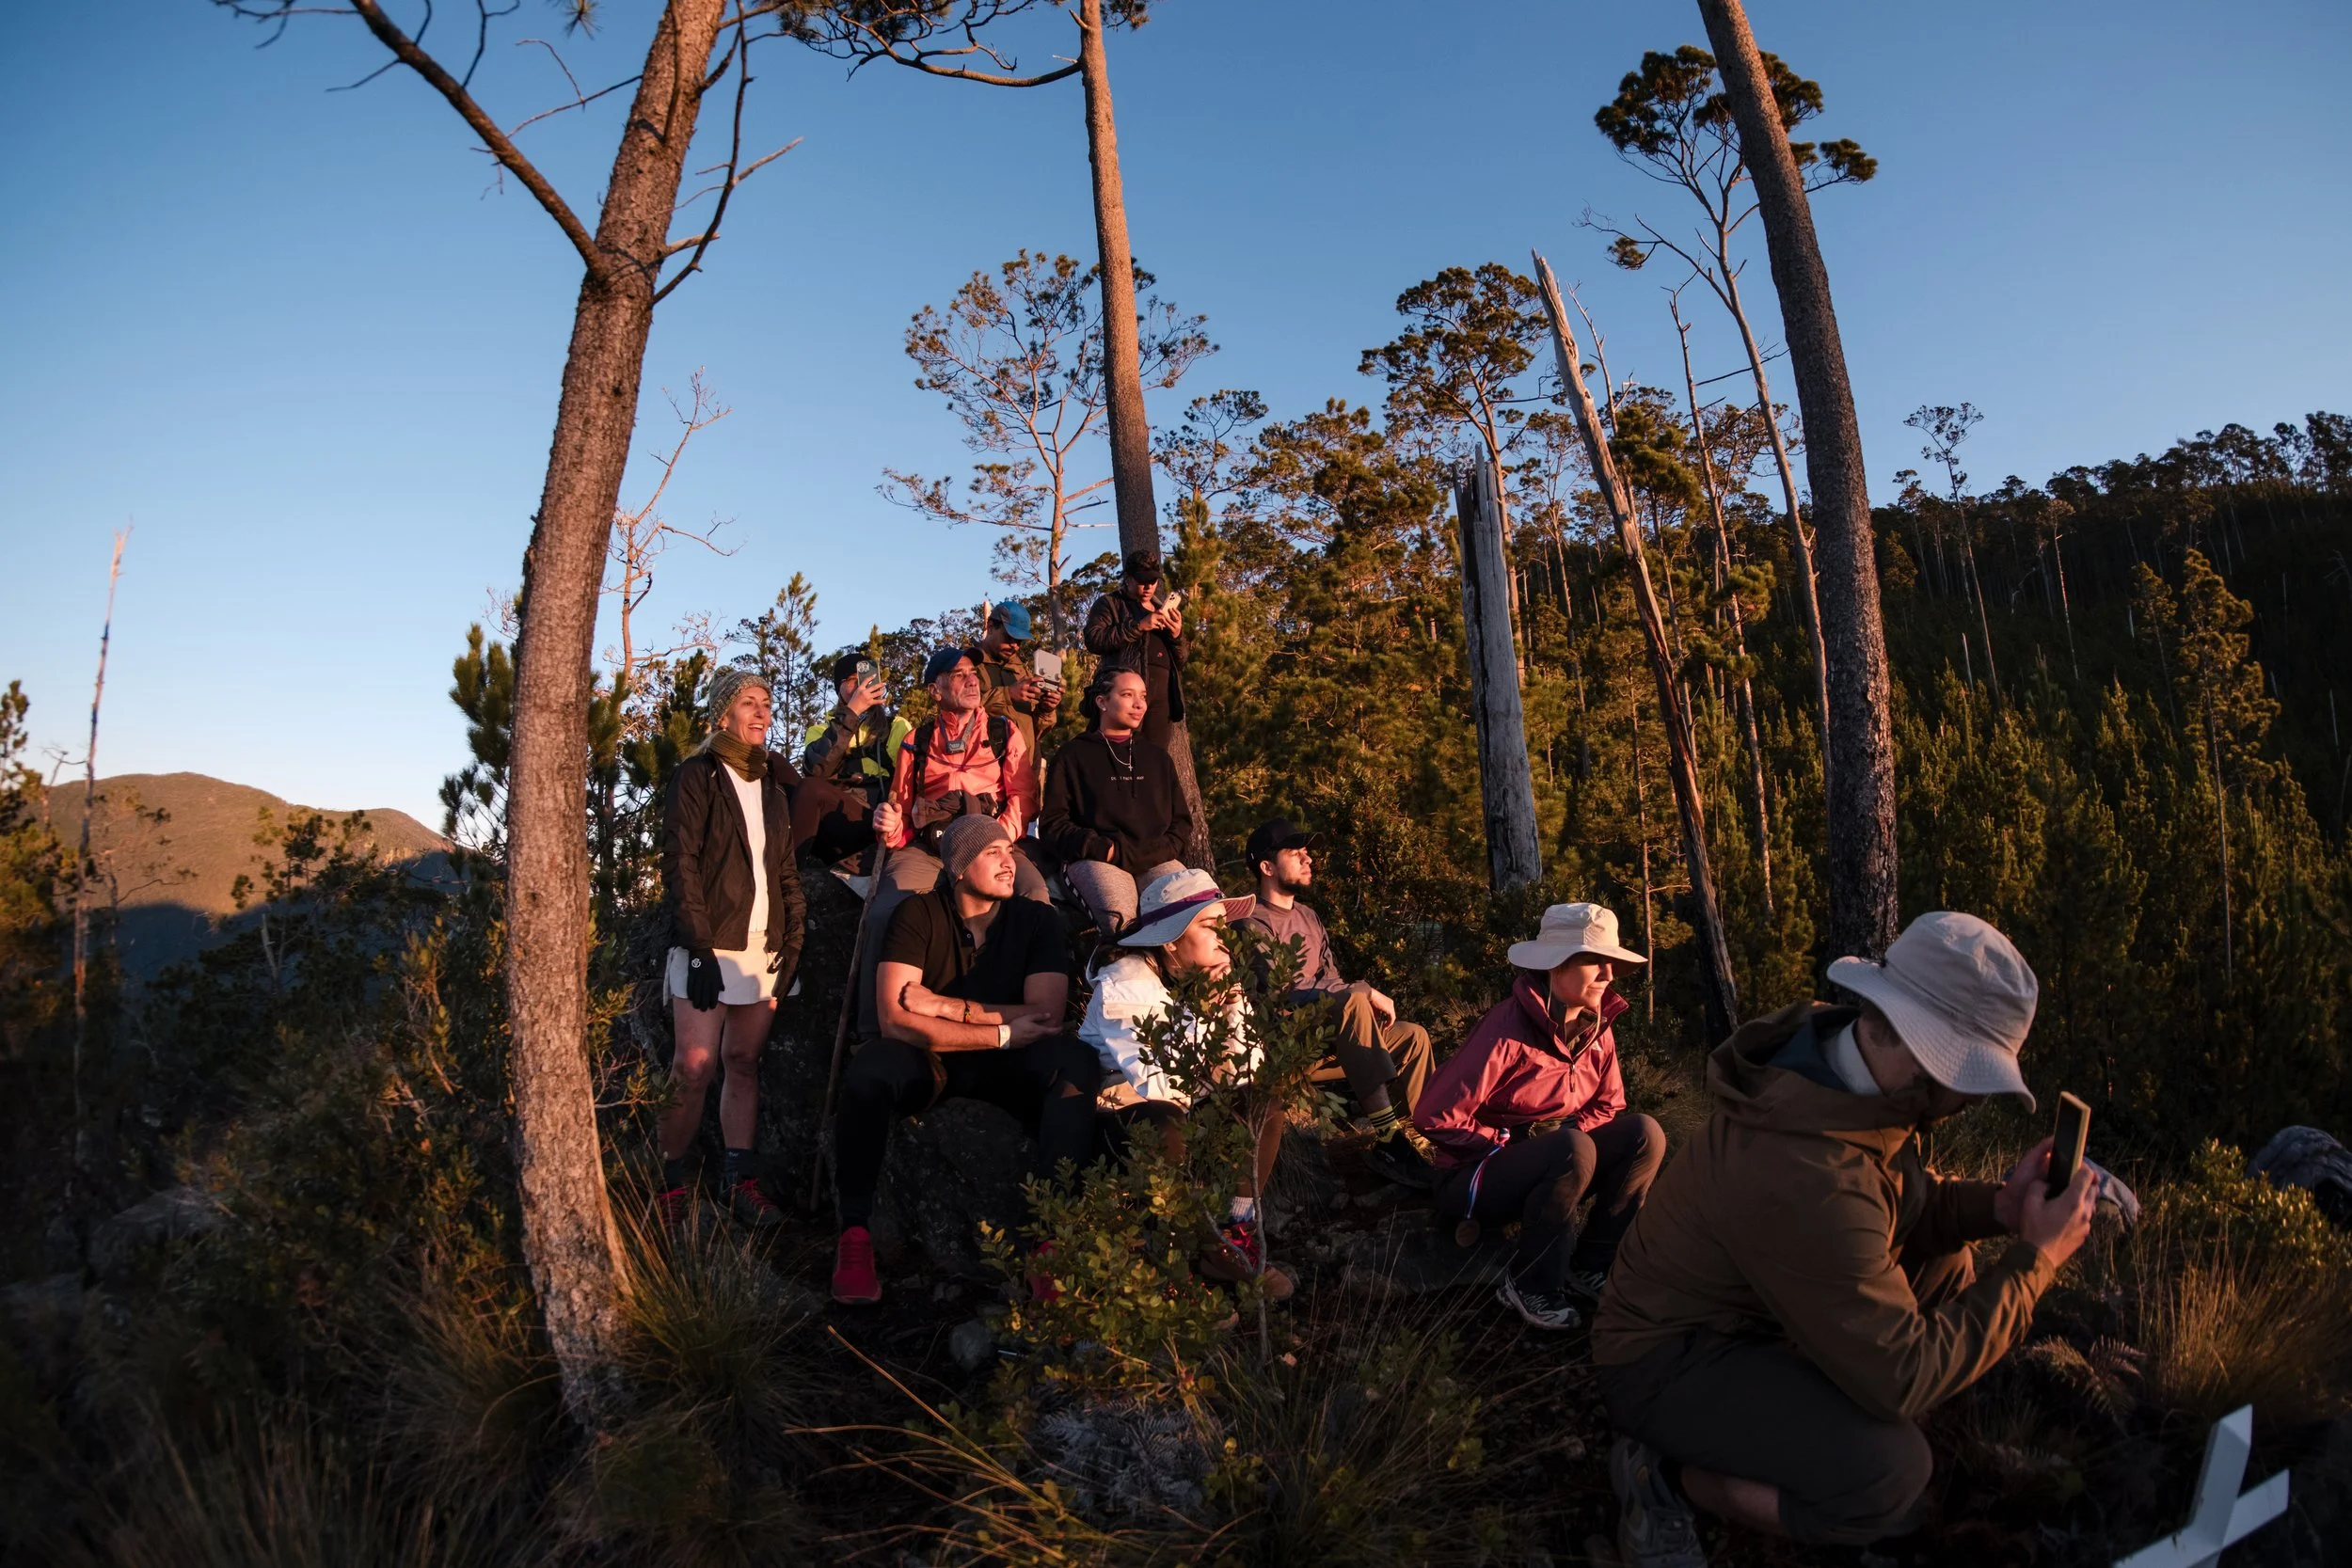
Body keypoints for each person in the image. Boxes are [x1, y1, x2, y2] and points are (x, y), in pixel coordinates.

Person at [1591, 911, 2101, 1568]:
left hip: (1748, 1309)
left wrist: (2000, 1206)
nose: (1975, 1098)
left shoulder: (1841, 1065)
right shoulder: (1810, 1174)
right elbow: (1904, 1376)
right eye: (1972, 1077)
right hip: (1663, 1360)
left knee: (1949, 1263)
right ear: (1925, 1055)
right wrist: (2036, 1261)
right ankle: (1662, 1479)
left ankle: (1812, 1429)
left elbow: (1899, 1199)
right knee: (1888, 1474)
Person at [829, 816, 1101, 1306]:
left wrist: (943, 1006)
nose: (1008, 860)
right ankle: (855, 1237)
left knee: (1074, 1061)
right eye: (992, 851)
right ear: (957, 867)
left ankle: (1052, 1242)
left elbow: (1045, 1015)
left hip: (1008, 1065)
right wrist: (999, 1032)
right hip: (935, 1063)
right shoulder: (917, 914)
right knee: (871, 1069)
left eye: (1010, 850)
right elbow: (894, 1019)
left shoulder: (1035, 920)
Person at [1414, 903, 1665, 1332]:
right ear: (1555, 966)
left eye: (1611, 962)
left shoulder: (1597, 1029)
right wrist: (1508, 1141)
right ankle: (1530, 1284)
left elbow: (1609, 1104)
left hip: (1548, 1160)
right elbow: (1433, 1115)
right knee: (1571, 1149)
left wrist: (1566, 1137)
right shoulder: (1506, 1030)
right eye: (1594, 961)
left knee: (1646, 1134)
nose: (1607, 974)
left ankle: (1590, 1265)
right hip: (1472, 1177)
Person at [1080, 867, 1294, 1301]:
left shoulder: (1212, 978)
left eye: (1223, 924)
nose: (1223, 937)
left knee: (1263, 1105)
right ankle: (1178, 1253)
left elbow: (1249, 1070)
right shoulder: (1125, 986)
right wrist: (1210, 1017)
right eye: (1208, 925)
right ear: (1170, 940)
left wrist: (1230, 1006)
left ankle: (1234, 1231)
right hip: (1122, 1117)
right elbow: (1159, 1086)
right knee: (1168, 1125)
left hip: (1188, 1106)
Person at [656, 667, 806, 1227]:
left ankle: (738, 1183)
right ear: (723, 714)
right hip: (711, 943)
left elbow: (785, 870)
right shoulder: (695, 776)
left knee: (743, 1062)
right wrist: (697, 948)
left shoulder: (770, 786)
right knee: (692, 1067)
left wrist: (793, 938)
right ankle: (671, 1185)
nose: (762, 712)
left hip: (761, 947)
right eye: (749, 702)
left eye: (767, 702)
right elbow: (682, 864)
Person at [1235, 818, 1436, 1191]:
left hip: (1331, 1036)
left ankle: (1425, 1140)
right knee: (1353, 1000)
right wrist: (1362, 991)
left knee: (1414, 1037)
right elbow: (1283, 992)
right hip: (1288, 1044)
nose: (1308, 859)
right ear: (1266, 867)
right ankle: (1389, 1140)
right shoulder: (1251, 923)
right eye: (1295, 854)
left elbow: (1332, 979)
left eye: (1307, 852)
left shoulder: (1309, 916)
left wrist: (1354, 994)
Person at [857, 647, 1049, 1038]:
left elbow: (1023, 797)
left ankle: (1036, 1020)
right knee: (884, 915)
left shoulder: (1003, 731)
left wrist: (996, 840)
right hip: (930, 848)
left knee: (1035, 899)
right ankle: (874, 1032)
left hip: (993, 839)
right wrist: (889, 823)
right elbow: (902, 809)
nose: (972, 680)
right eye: (958, 675)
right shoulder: (918, 739)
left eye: (972, 673)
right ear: (935, 689)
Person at [1037, 668, 1190, 939]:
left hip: (1155, 859)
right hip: (1098, 858)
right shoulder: (1073, 755)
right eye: (1127, 694)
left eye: (1142, 696)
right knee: (1121, 919)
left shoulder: (1158, 758)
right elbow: (1053, 825)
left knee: (1193, 911)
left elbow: (1180, 823)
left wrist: (1154, 852)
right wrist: (1101, 848)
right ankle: (1116, 979)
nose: (1139, 704)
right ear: (1102, 701)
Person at [795, 652, 910, 864]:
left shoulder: (896, 726)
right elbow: (816, 771)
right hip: (832, 818)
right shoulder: (820, 731)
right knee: (803, 784)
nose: (861, 686)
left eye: (867, 679)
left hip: (876, 818)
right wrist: (853, 712)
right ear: (838, 688)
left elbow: (908, 779)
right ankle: (789, 872)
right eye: (852, 680)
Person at [1082, 549, 1190, 753]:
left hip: (1163, 695)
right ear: (1129, 579)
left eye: (1154, 581)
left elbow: (1182, 661)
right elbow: (1094, 639)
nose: (1149, 586)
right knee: (1119, 753)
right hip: (1125, 691)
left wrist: (1176, 634)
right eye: (1142, 581)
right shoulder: (1111, 603)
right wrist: (1139, 626)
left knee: (1154, 758)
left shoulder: (1161, 608)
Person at [974, 600, 1062, 781]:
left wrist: (1046, 709)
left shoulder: (1023, 672)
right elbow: (958, 712)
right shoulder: (968, 665)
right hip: (982, 773)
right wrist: (1008, 694)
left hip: (1023, 771)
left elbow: (1036, 730)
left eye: (1019, 641)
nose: (1015, 645)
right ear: (990, 627)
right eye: (1009, 637)